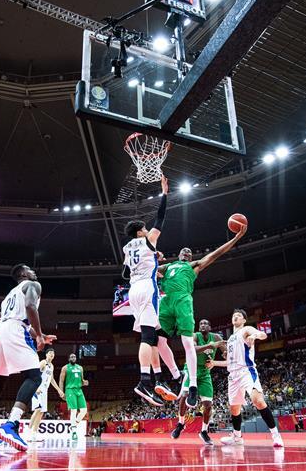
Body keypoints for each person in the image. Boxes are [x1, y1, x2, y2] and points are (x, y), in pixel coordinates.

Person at [159, 226, 247, 409]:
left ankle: (192, 386)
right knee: (157, 340)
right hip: (165, 301)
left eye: (189, 252)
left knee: (187, 343)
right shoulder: (168, 266)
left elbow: (216, 254)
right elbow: (147, 270)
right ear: (179, 255)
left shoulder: (194, 266)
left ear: (190, 258)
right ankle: (176, 375)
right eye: (184, 250)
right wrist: (153, 257)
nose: (187, 251)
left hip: (183, 300)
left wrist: (236, 237)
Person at [0, 263, 55, 452]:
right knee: (34, 377)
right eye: (30, 269)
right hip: (15, 330)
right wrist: (39, 336)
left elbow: (20, 319)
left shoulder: (9, 295)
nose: (34, 271)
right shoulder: (33, 285)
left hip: (1, 332)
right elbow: (30, 307)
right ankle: (11, 424)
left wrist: (39, 335)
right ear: (23, 274)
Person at [122, 175, 175, 406]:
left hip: (133, 290)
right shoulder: (148, 239)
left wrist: (153, 259)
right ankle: (144, 381)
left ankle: (158, 379)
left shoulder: (127, 247)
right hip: (146, 288)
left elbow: (125, 272)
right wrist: (164, 194)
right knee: (147, 336)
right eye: (144, 228)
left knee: (152, 336)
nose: (148, 229)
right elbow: (161, 218)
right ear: (140, 232)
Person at [206, 309, 283, 448]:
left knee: (258, 401)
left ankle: (276, 435)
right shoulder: (230, 339)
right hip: (233, 375)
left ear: (244, 320)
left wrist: (255, 335)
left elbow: (263, 334)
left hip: (246, 371)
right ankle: (237, 437)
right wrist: (214, 363)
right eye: (234, 315)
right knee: (234, 409)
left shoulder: (246, 329)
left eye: (239, 316)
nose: (235, 317)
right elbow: (230, 362)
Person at [171, 318, 225, 445]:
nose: (203, 325)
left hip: (205, 373)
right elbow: (193, 349)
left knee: (208, 404)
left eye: (206, 323)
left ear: (210, 327)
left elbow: (225, 350)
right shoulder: (195, 336)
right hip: (191, 369)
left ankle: (204, 431)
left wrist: (226, 353)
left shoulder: (216, 337)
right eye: (201, 323)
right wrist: (210, 346)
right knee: (184, 395)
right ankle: (180, 424)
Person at [28, 347, 63, 442]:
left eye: (53, 353)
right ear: (46, 354)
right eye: (50, 353)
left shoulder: (51, 366)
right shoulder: (43, 362)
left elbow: (52, 379)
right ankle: (27, 433)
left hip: (45, 390)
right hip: (38, 388)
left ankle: (34, 435)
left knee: (41, 412)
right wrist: (36, 387)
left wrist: (59, 390)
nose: (52, 354)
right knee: (37, 409)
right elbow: (34, 374)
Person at [58, 353, 89, 440]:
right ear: (69, 359)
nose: (73, 358)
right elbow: (61, 380)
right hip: (70, 390)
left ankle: (73, 425)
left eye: (74, 357)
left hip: (79, 390)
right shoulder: (65, 368)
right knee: (74, 410)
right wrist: (61, 391)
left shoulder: (80, 368)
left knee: (84, 410)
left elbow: (81, 380)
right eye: (71, 357)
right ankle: (74, 432)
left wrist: (84, 382)